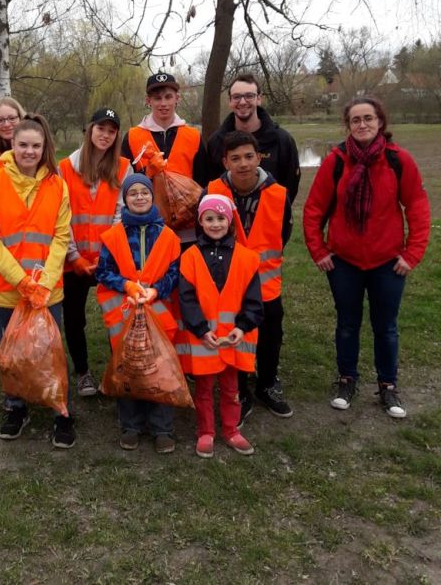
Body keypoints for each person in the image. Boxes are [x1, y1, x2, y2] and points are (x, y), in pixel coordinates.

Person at [303, 96, 430, 418]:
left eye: (368, 119)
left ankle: (388, 386)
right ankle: (347, 380)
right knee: (347, 324)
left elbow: (416, 206)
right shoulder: (336, 161)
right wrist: (319, 250)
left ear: (380, 122)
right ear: (348, 125)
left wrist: (412, 254)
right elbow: (315, 208)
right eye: (356, 120)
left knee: (385, 326)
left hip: (388, 262)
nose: (362, 125)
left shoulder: (398, 160)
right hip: (344, 261)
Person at [0, 114, 76, 447]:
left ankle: (61, 410)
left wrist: (44, 282)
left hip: (47, 290)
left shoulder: (57, 184)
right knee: (10, 351)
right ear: (12, 146)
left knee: (52, 348)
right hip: (7, 289)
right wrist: (21, 280)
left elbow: (61, 237)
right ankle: (16, 407)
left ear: (45, 148)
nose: (29, 152)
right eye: (23, 145)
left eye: (36, 145)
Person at [206, 131, 293, 420]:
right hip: (229, 283)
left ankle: (267, 385)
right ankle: (239, 390)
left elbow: (284, 233)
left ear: (258, 157)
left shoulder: (278, 194)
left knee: (270, 335)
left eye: (248, 156)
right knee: (235, 335)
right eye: (235, 158)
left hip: (266, 282)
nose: (242, 163)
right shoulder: (214, 190)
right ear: (225, 161)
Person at [95, 173, 181, 453]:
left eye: (144, 192)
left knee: (160, 366)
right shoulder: (112, 236)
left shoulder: (168, 236)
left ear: (152, 196)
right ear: (125, 200)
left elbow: (174, 272)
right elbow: (103, 272)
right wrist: (127, 285)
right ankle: (130, 424)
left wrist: (157, 290)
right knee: (128, 366)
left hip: (159, 312)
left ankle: (162, 427)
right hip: (124, 314)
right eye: (133, 193)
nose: (140, 197)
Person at [177, 194, 263, 458]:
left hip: (233, 340)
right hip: (204, 339)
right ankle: (205, 432)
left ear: (230, 220)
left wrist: (243, 326)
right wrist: (201, 329)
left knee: (232, 388)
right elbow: (187, 298)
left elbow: (253, 299)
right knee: (203, 389)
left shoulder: (248, 258)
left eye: (221, 218)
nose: (215, 224)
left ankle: (231, 429)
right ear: (200, 222)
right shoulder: (190, 257)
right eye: (209, 218)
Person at [59, 107, 132, 397]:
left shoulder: (124, 168)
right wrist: (73, 256)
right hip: (72, 259)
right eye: (100, 128)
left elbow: (121, 213)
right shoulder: (65, 168)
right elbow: (60, 216)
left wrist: (106, 255)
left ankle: (120, 370)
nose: (105, 135)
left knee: (117, 314)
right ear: (89, 130)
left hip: (109, 259)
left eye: (111, 130)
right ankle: (83, 372)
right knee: (74, 317)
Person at [121, 72, 208, 243]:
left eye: (168, 97)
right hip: (145, 228)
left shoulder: (193, 136)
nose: (163, 103)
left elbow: (203, 181)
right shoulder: (133, 136)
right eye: (157, 98)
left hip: (188, 231)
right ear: (148, 101)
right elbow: (124, 182)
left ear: (177, 98)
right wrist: (148, 173)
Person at [207, 73, 300, 204]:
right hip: (227, 220)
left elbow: (290, 186)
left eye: (249, 96)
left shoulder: (282, 140)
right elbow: (211, 186)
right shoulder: (216, 142)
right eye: (237, 97)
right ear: (230, 101)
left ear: (259, 99)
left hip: (270, 218)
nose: (243, 102)